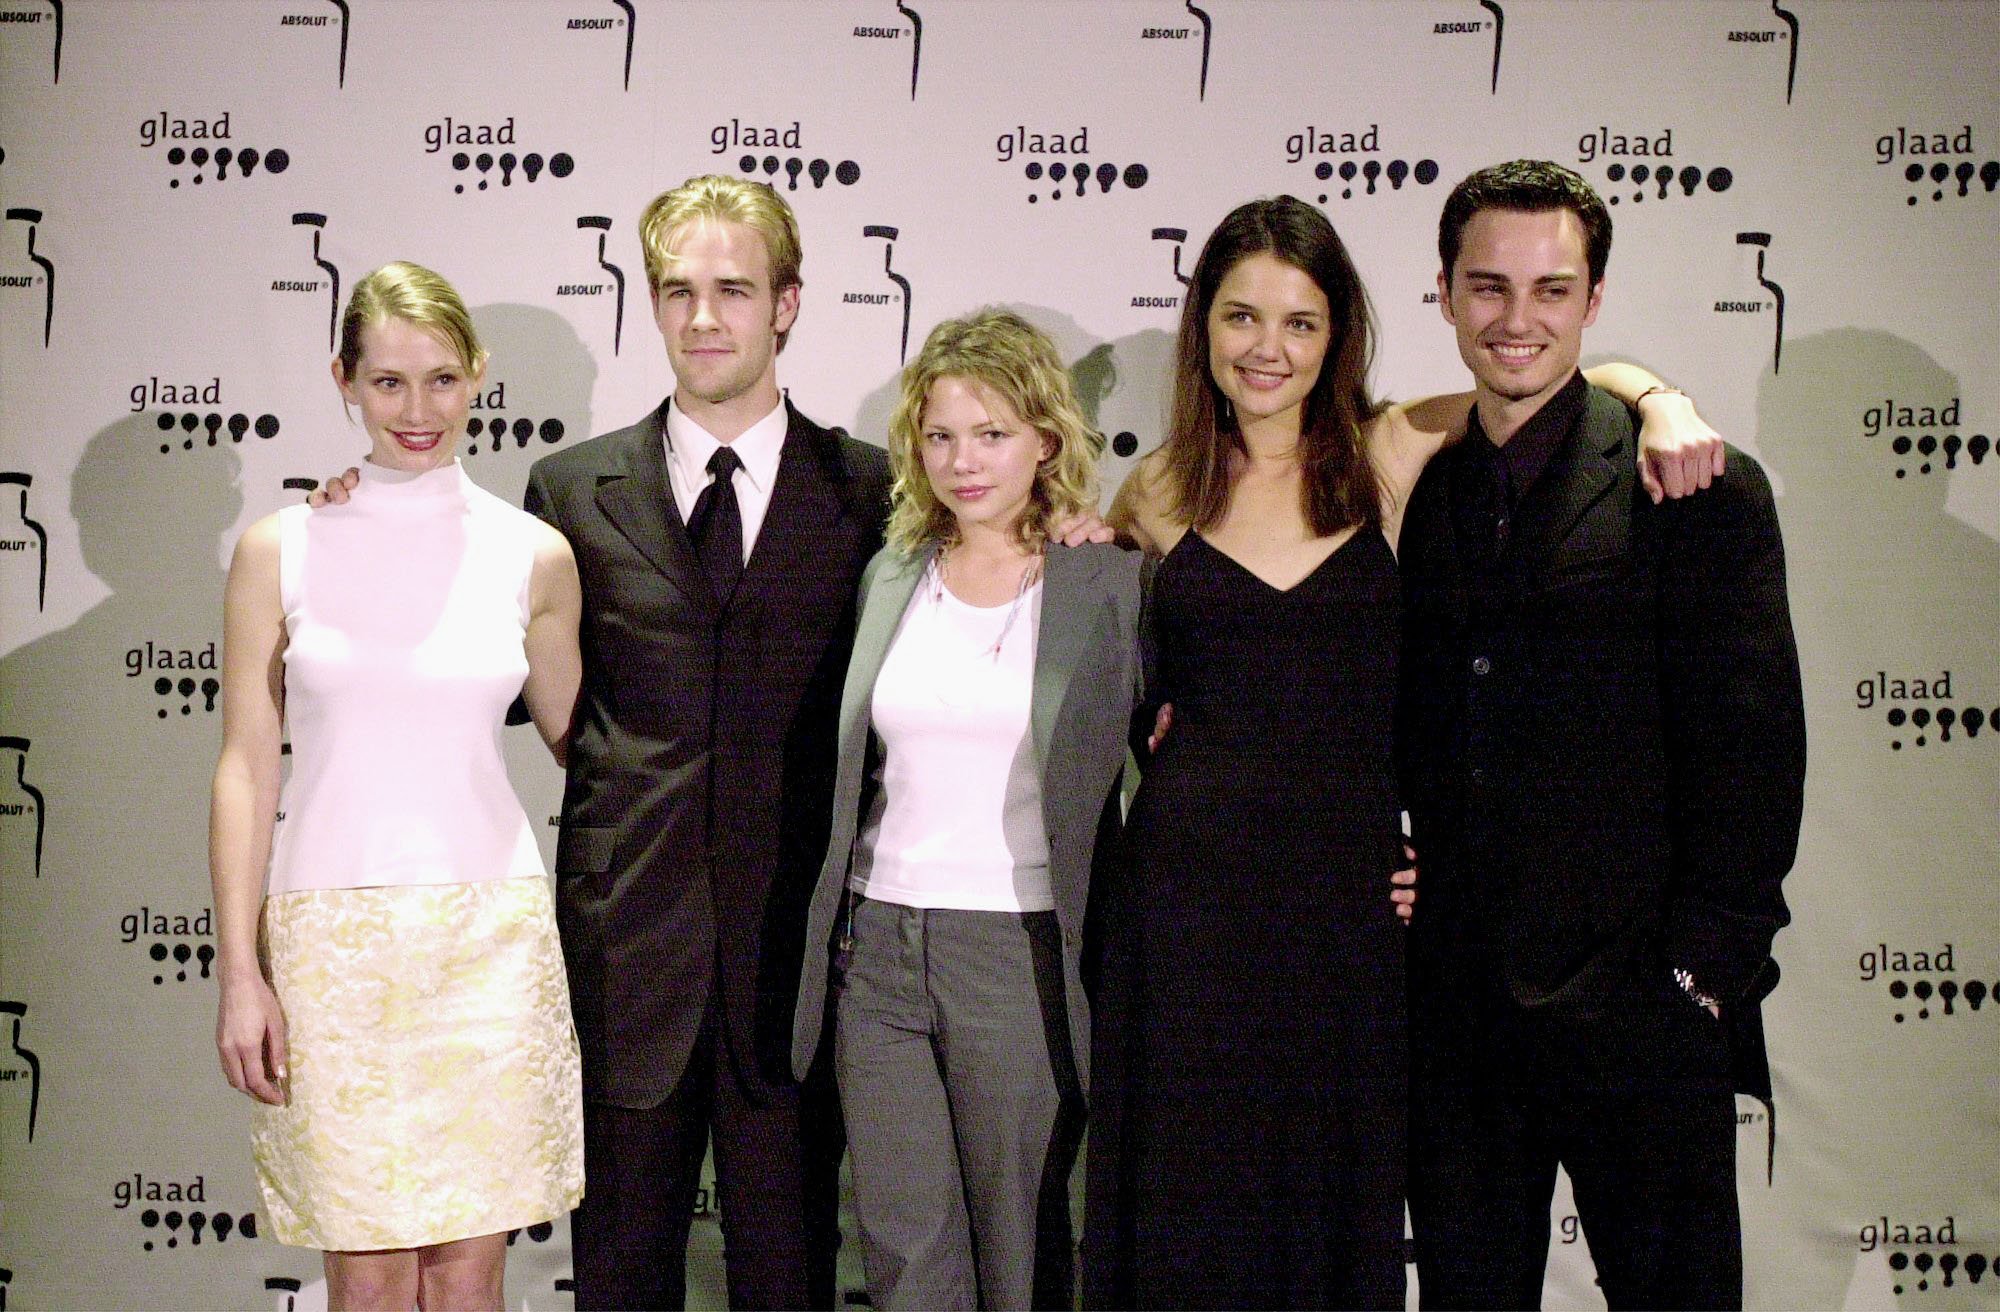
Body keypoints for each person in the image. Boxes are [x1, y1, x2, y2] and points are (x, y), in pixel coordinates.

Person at [1086, 194, 1724, 1310]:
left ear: (1337, 336)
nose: (1266, 349)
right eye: (1240, 318)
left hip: (1343, 917)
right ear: (1202, 332)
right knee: (1186, 1209)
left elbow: (1542, 380)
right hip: (1182, 907)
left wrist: (1659, 397)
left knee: (1330, 1201)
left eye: (1298, 321)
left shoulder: (1387, 452)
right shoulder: (1154, 492)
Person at [1397, 161, 1805, 1310]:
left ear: (1591, 298)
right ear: (1441, 292)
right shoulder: (1421, 490)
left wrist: (1698, 977)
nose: (1514, 319)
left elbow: (1754, 744)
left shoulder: (1694, 485)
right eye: (1486, 286)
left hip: (1641, 1017)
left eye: (1548, 289)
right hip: (1461, 1019)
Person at [209, 261, 585, 1312]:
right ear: (343, 380)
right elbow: (244, 765)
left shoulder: (535, 554)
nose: (416, 411)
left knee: (470, 1275)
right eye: (386, 383)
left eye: (440, 380)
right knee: (366, 1274)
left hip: (490, 937)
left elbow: (587, 750)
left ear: (476, 378)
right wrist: (242, 971)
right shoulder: (277, 550)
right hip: (329, 942)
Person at [787, 310, 1140, 1311]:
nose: (963, 461)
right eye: (939, 436)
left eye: (990, 434)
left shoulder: (1106, 578)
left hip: (1018, 952)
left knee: (1020, 1250)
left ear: (1044, 437)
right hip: (879, 951)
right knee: (903, 1251)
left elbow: (1188, 750)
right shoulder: (892, 572)